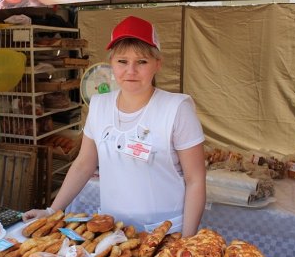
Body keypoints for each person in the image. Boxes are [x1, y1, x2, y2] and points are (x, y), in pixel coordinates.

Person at [23, 16, 206, 237]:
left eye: (142, 62)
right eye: (122, 61)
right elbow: (83, 165)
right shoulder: (100, 105)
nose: (131, 71)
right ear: (111, 63)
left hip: (164, 235)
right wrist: (52, 211)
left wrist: (186, 240)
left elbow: (195, 179)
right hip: (112, 232)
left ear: (158, 64)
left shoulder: (176, 108)